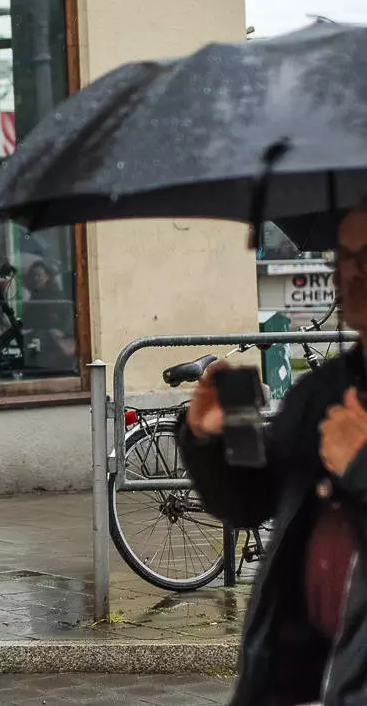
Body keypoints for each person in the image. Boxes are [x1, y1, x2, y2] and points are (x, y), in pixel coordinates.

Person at [180, 208, 367, 706]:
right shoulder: (323, 392)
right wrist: (219, 434)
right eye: (344, 257)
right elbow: (253, 502)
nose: (352, 272)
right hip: (305, 679)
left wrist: (360, 463)